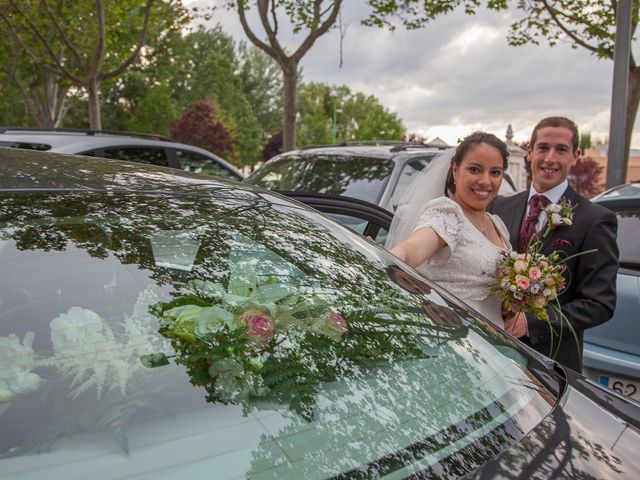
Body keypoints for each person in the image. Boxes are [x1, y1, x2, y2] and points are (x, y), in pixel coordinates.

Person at [489, 116, 619, 372]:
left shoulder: (595, 220)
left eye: (561, 150)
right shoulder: (499, 207)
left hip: (552, 364)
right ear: (529, 152)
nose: (550, 158)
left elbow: (600, 303)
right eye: (543, 148)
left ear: (575, 155)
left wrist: (531, 323)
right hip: (492, 353)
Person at [386, 132, 526, 336]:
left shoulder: (497, 224)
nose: (485, 181)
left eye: (494, 173)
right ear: (455, 170)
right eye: (475, 169)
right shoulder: (448, 214)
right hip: (451, 340)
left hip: (492, 343)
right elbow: (414, 248)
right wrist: (392, 257)